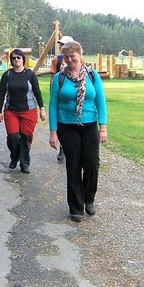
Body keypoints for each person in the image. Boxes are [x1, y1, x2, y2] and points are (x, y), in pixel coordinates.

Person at [48, 40, 108, 223]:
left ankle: (89, 199)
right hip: (67, 126)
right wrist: (53, 132)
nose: (68, 61)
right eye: (65, 57)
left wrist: (103, 127)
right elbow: (53, 105)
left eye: (72, 57)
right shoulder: (59, 78)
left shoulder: (92, 75)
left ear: (80, 56)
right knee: (73, 165)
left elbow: (100, 101)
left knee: (91, 164)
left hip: (89, 124)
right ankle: (75, 207)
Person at [0, 48, 46, 173]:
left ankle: (24, 164)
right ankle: (14, 157)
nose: (16, 60)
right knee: (13, 137)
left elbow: (37, 92)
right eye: (14, 58)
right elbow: (1, 94)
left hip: (28, 110)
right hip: (11, 110)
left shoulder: (30, 74)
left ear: (23, 59)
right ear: (11, 61)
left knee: (25, 137)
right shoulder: (7, 75)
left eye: (18, 57)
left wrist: (42, 109)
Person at [50, 35, 74, 162]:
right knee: (61, 120)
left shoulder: (78, 58)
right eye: (61, 45)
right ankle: (62, 148)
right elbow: (53, 77)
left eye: (64, 44)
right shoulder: (56, 60)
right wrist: (52, 92)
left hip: (74, 96)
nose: (61, 47)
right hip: (60, 93)